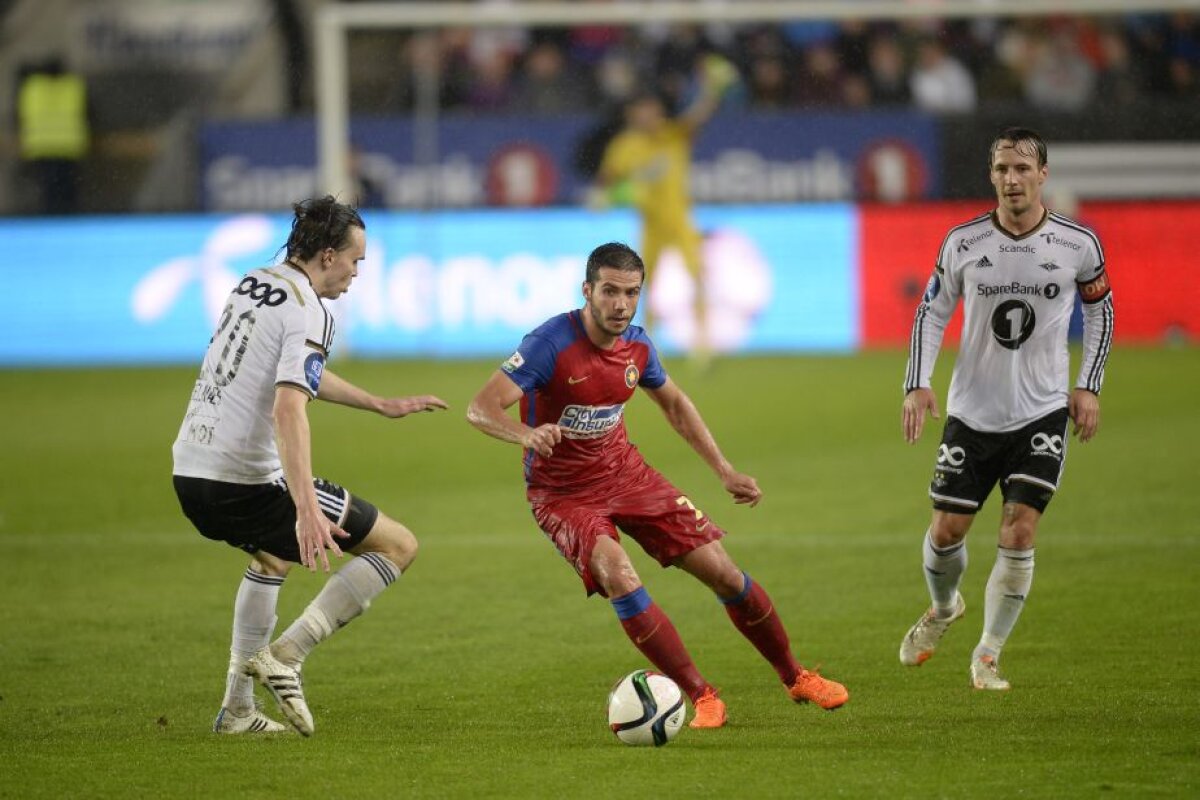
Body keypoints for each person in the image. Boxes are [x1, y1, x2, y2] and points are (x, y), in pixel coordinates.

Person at [466, 242, 848, 728]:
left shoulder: (639, 346)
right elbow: (480, 407)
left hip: (627, 474)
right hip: (562, 495)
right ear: (587, 290)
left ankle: (796, 676)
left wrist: (724, 470)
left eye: (631, 293)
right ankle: (701, 696)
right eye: (609, 291)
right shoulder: (549, 344)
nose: (620, 304)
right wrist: (527, 433)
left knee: (726, 575)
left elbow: (675, 404)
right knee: (619, 574)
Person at [172, 196, 447, 735]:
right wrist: (304, 507)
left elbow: (290, 373)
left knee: (273, 557)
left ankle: (238, 710)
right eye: (355, 260)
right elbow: (288, 405)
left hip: (190, 471)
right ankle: (289, 655)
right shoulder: (310, 309)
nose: (357, 272)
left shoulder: (254, 282)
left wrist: (379, 403)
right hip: (244, 479)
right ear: (327, 255)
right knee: (399, 546)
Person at [899, 128, 1114, 690]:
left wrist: (1088, 384)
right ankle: (945, 608)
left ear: (1044, 174)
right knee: (947, 531)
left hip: (1042, 412)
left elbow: (1100, 313)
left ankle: (989, 654)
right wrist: (917, 383)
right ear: (991, 176)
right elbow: (931, 311)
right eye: (1001, 169)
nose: (1011, 179)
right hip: (972, 412)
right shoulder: (964, 242)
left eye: (1022, 169)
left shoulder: (1077, 244)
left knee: (1018, 532)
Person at [595, 55, 737, 364]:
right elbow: (607, 180)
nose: (647, 117)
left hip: (680, 219)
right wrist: (606, 195)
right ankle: (648, 344)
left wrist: (712, 91)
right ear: (632, 115)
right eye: (641, 112)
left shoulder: (672, 135)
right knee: (643, 284)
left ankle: (702, 345)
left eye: (651, 111)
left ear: (658, 112)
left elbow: (699, 116)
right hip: (651, 224)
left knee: (697, 277)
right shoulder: (624, 146)